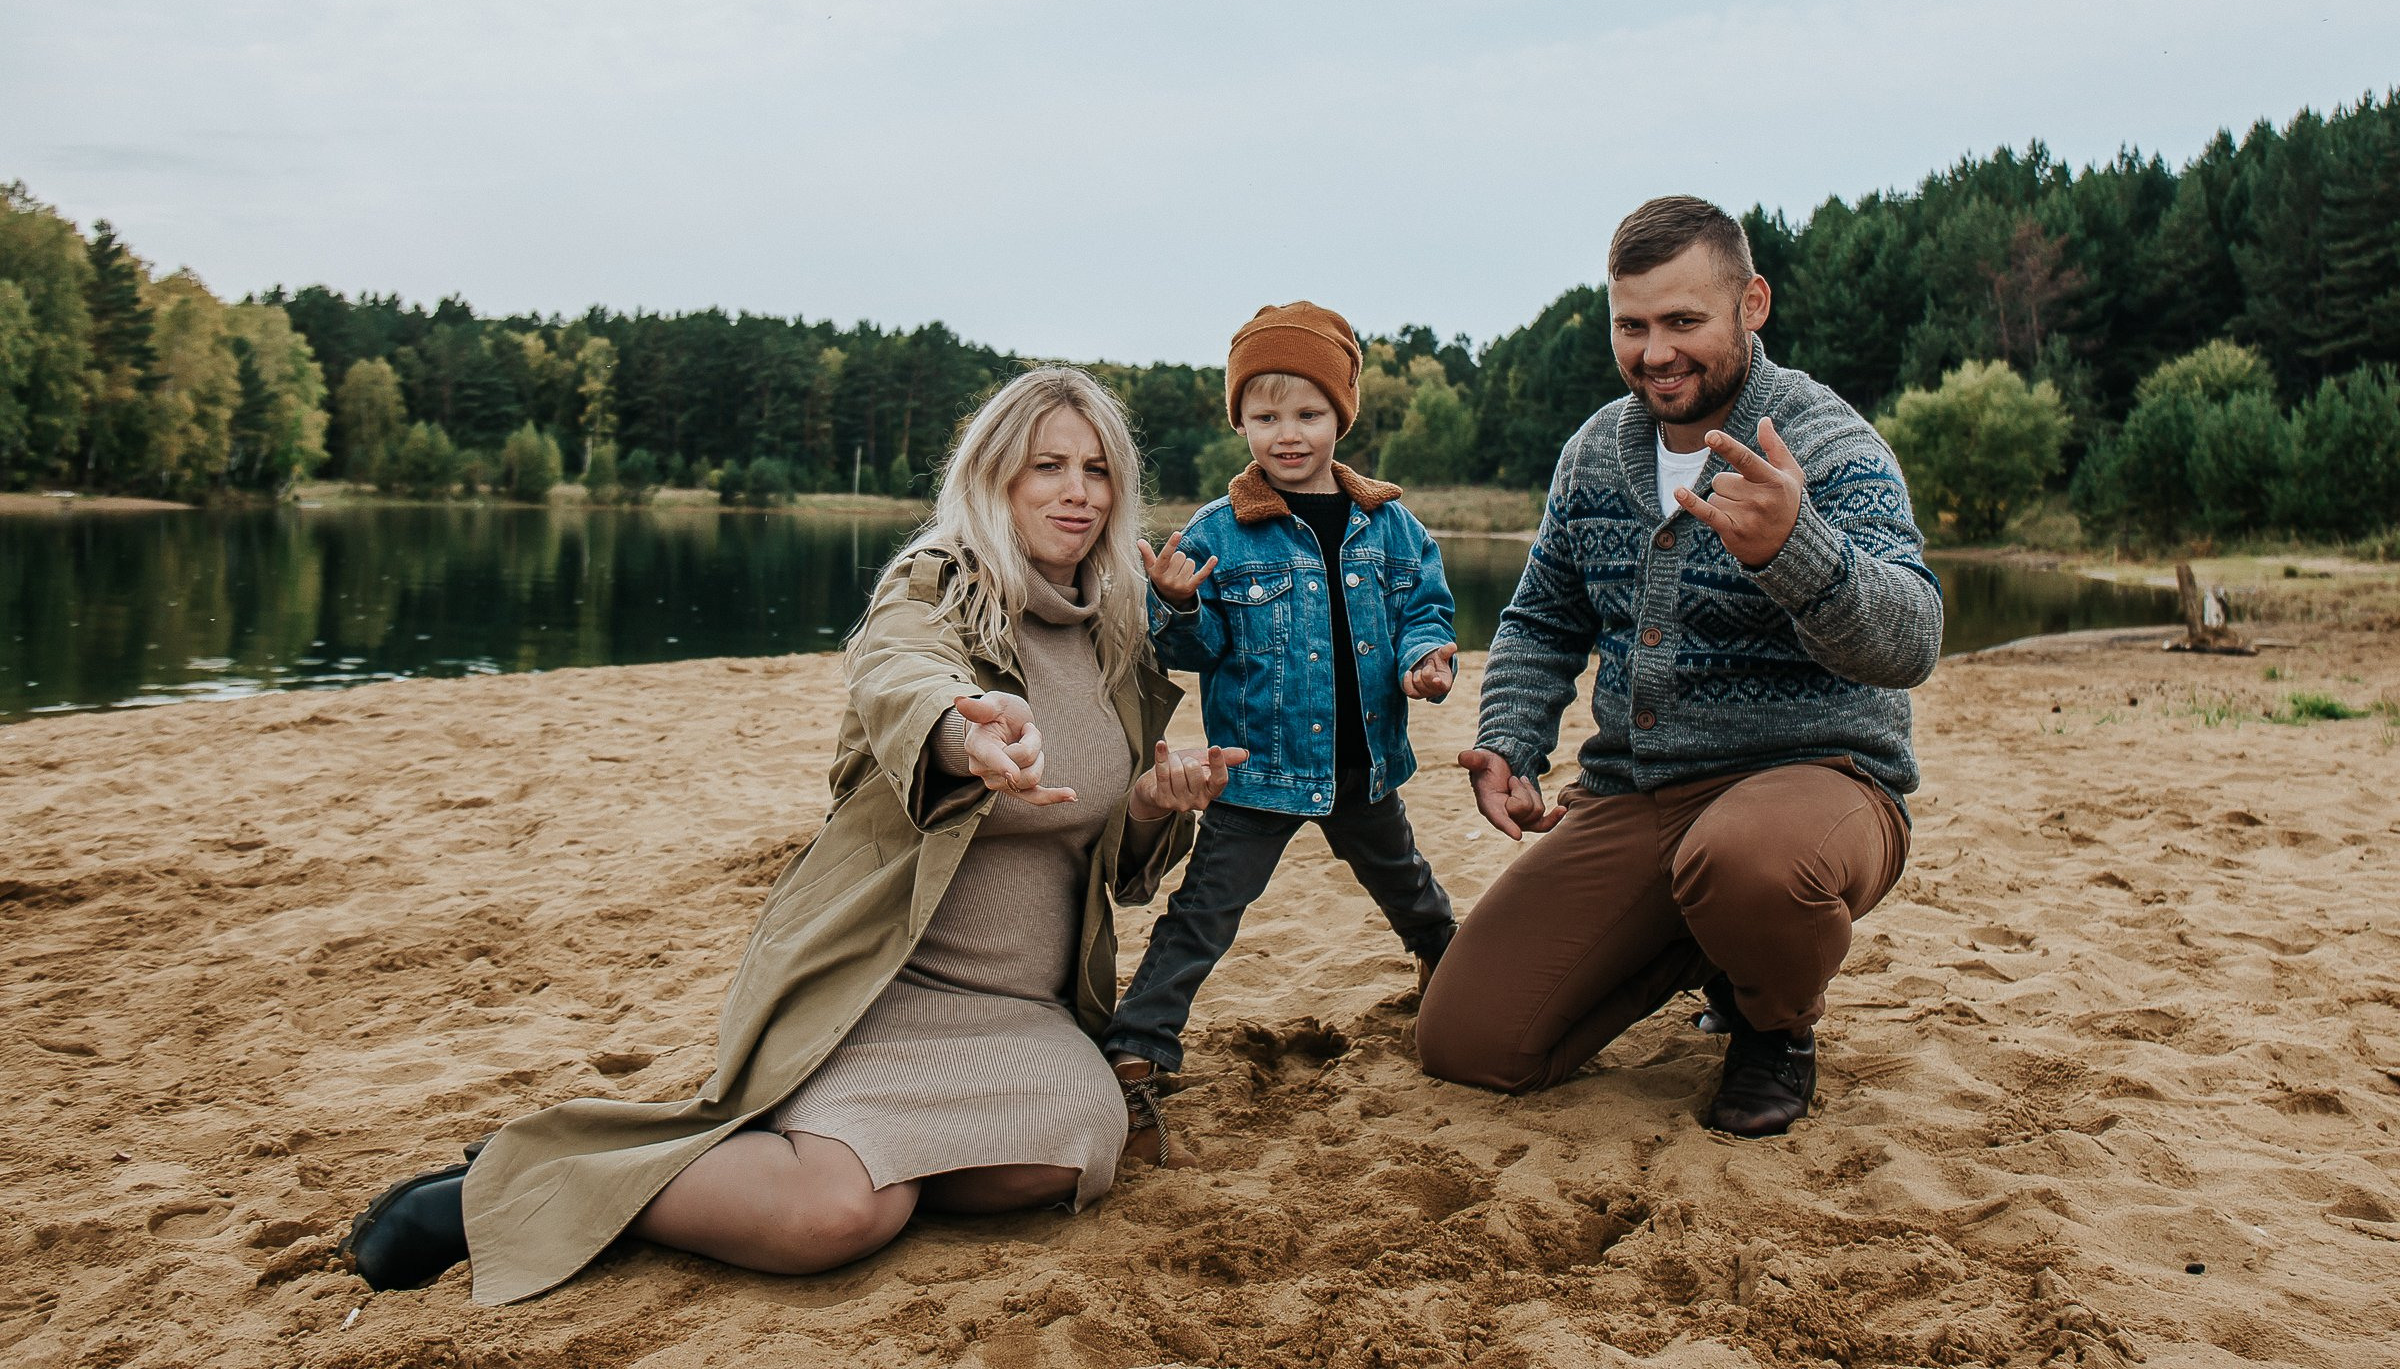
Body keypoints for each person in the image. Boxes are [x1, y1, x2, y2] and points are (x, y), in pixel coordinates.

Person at [339, 367, 1250, 1304]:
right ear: (994, 480)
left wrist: (1149, 807)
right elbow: (900, 673)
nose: (1076, 493)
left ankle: (760, 1164)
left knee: (1068, 1160)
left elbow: (1119, 875)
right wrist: (961, 730)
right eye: (1047, 467)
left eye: (1096, 470)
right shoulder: (934, 585)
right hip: (876, 988)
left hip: (1021, 1008)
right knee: (838, 1219)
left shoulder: (1116, 635)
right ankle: (512, 1189)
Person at [1417, 196, 1942, 1137]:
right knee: (1470, 1043)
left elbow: (1912, 641)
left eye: (1684, 321)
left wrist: (1798, 548)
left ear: (1753, 306)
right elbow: (1541, 618)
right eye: (1633, 325)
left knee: (1745, 863)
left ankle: (1771, 1024)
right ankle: (1708, 942)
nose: (1656, 351)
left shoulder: (1826, 444)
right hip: (1641, 794)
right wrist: (1512, 741)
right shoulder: (1592, 456)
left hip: (1817, 786)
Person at [1105, 301, 1462, 1146]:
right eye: (1264, 416)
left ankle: (1452, 971)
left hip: (1363, 767)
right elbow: (1196, 650)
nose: (1287, 433)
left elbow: (1425, 608)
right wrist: (1176, 604)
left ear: (1341, 413)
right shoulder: (1217, 534)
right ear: (1241, 421)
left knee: (1408, 887)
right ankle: (1137, 1048)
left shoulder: (1392, 524)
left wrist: (1428, 657)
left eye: (1307, 413)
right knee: (1206, 911)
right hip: (1257, 770)